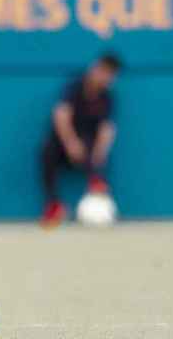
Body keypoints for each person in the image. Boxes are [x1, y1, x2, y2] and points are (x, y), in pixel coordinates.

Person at [40, 53, 121, 227]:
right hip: (65, 144)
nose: (106, 78)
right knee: (47, 151)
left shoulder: (107, 97)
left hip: (88, 146)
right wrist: (71, 143)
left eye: (111, 75)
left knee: (93, 147)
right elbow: (61, 115)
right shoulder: (75, 87)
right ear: (96, 69)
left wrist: (100, 153)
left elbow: (107, 128)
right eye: (104, 72)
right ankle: (54, 205)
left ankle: (97, 186)